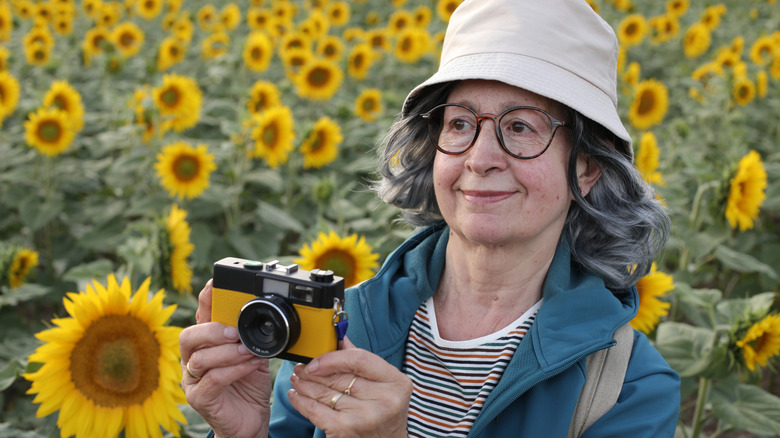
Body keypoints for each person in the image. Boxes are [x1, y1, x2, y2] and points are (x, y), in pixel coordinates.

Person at [178, 0, 681, 436]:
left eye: (522, 127)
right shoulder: (341, 322)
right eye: (460, 122)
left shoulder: (626, 388)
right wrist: (244, 433)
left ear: (587, 167)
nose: (480, 158)